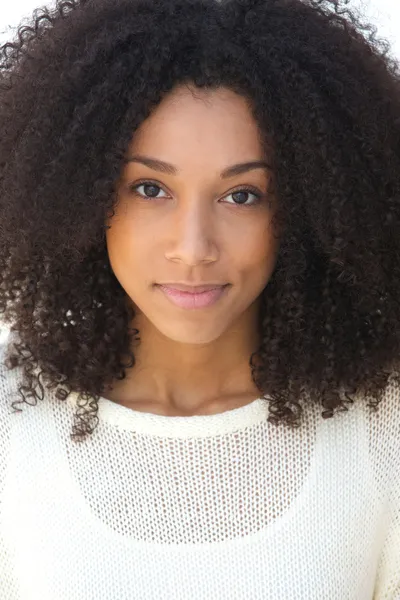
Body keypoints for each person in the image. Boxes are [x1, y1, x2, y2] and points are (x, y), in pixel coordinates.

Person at [0, 0, 399, 597]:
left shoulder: (382, 427)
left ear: (315, 206)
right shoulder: (11, 424)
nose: (193, 248)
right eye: (151, 188)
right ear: (79, 195)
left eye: (243, 195)